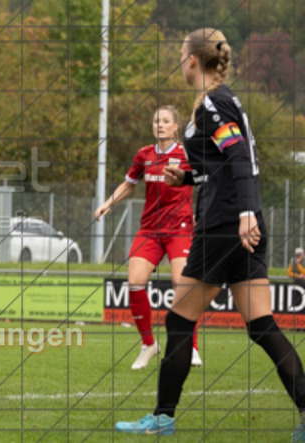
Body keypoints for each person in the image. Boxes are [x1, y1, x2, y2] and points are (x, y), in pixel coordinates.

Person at [116, 28, 305, 438]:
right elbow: (220, 163)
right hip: (241, 224)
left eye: (181, 53)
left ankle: (162, 418)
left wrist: (246, 213)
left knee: (179, 321)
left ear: (191, 60)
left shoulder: (213, 103)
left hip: (225, 226)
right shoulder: (222, 101)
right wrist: (185, 176)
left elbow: (239, 156)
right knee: (261, 325)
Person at [94, 106, 201, 370]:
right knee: (134, 281)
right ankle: (148, 344)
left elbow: (207, 181)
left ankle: (192, 345)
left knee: (182, 283)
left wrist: (203, 213)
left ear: (176, 127)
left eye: (166, 121)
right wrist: (108, 202)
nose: (160, 124)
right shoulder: (144, 154)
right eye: (156, 121)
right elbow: (129, 184)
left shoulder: (187, 154)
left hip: (180, 228)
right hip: (150, 229)